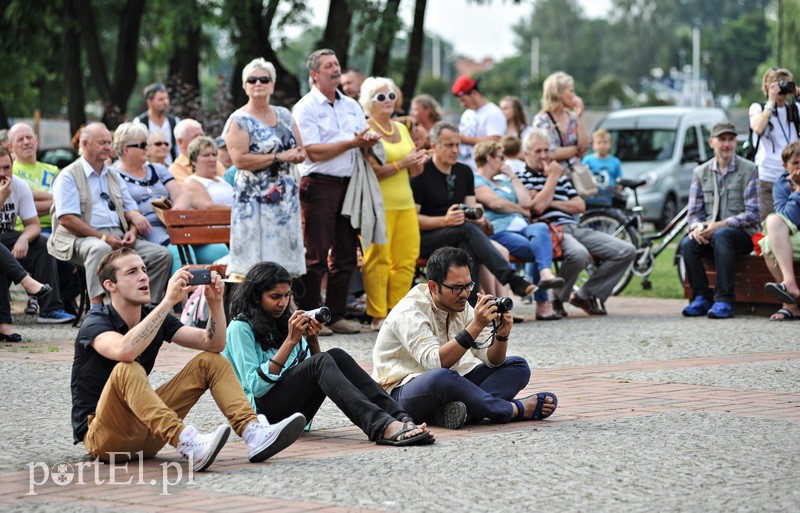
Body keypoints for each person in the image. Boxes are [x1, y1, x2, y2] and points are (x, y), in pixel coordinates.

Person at [70, 248, 307, 471]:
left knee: (211, 361)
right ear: (110, 285)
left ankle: (252, 433)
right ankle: (187, 441)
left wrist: (215, 303)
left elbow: (213, 344)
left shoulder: (153, 316)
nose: (143, 276)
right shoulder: (96, 322)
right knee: (127, 368)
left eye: (144, 269)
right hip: (105, 439)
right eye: (131, 272)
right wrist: (168, 302)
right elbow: (125, 351)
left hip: (150, 436)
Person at [224, 262, 434, 446]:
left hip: (296, 411)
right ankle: (381, 426)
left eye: (287, 295)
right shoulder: (240, 327)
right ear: (256, 297)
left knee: (336, 355)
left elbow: (314, 374)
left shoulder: (283, 321)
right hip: (262, 416)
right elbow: (256, 387)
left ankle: (401, 418)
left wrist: (312, 340)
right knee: (322, 360)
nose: (283, 303)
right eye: (275, 297)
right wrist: (290, 341)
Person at [372, 247, 557, 429]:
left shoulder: (460, 303)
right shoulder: (410, 311)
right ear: (433, 287)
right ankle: (512, 409)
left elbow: (492, 360)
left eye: (468, 286)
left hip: (451, 383)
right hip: (400, 393)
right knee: (442, 377)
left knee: (517, 366)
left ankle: (458, 413)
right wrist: (475, 326)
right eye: (456, 288)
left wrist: (501, 336)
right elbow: (436, 363)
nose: (464, 294)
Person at [292, 49, 381, 335]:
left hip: (349, 184)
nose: (335, 69)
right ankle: (310, 318)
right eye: (328, 66)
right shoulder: (305, 107)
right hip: (319, 183)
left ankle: (336, 315)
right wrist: (352, 143)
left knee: (345, 253)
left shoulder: (352, 105)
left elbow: (360, 138)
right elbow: (313, 152)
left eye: (337, 64)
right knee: (316, 254)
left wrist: (369, 140)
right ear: (314, 74)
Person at [412, 122, 540, 305]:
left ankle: (470, 307)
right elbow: (414, 220)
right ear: (434, 146)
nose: (455, 150)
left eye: (457, 145)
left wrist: (479, 220)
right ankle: (512, 279)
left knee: (467, 244)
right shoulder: (421, 173)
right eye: (449, 145)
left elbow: (471, 209)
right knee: (465, 229)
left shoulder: (464, 172)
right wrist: (445, 220)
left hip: (459, 235)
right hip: (428, 238)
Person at [48, 123, 173, 308]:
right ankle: (96, 310)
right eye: (102, 143)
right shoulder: (68, 176)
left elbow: (132, 209)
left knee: (161, 255)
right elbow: (67, 219)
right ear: (85, 144)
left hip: (117, 235)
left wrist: (132, 232)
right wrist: (103, 237)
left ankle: (144, 309)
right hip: (80, 238)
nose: (108, 147)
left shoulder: (114, 175)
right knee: (99, 249)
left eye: (109, 142)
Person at [519, 129, 636, 317]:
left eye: (546, 150)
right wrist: (552, 179)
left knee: (626, 250)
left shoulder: (561, 178)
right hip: (551, 230)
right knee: (579, 254)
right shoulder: (523, 178)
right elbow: (538, 208)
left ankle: (585, 294)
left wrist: (549, 199)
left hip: (576, 227)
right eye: (538, 151)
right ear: (526, 154)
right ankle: (557, 298)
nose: (544, 156)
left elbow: (580, 205)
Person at [224, 58, 307, 280]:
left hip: (285, 197)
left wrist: (298, 155)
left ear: (272, 84)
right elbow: (240, 160)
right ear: (245, 86)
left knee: (285, 261)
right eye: (252, 80)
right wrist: (279, 157)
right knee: (255, 265)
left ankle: (286, 299)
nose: (258, 83)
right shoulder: (239, 119)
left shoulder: (285, 115)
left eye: (264, 79)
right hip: (254, 199)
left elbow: (300, 148)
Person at [360, 77, 427, 330]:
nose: (388, 101)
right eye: (381, 97)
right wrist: (402, 163)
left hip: (405, 203)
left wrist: (417, 162)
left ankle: (397, 311)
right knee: (377, 259)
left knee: (406, 259)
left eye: (391, 96)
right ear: (369, 103)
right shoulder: (366, 129)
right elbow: (372, 170)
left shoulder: (402, 128)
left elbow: (414, 172)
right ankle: (377, 314)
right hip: (379, 204)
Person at [473, 141, 563, 320]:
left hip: (523, 228)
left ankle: (545, 273)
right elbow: (496, 204)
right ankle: (542, 300)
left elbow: (527, 202)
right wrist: (520, 210)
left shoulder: (503, 180)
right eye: (501, 157)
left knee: (541, 227)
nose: (504, 162)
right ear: (490, 158)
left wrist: (512, 176)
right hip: (499, 231)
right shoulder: (477, 180)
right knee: (538, 249)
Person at [679, 123, 761, 319]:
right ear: (711, 143)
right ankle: (701, 298)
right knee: (687, 243)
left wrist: (721, 224)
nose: (727, 144)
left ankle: (724, 300)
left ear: (736, 142)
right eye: (722, 139)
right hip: (712, 235)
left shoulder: (749, 170)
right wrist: (698, 228)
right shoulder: (700, 172)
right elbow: (693, 214)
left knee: (722, 235)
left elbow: (753, 214)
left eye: (730, 139)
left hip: (742, 235)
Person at [9, 122, 81, 315]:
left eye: (29, 137)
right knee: (54, 251)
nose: (26, 142)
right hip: (25, 229)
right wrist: (56, 201)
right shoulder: (9, 170)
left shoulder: (52, 169)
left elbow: (68, 198)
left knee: (80, 248)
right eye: (20, 139)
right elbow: (24, 205)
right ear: (10, 146)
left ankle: (60, 299)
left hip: (60, 226)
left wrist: (35, 199)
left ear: (37, 140)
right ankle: (56, 301)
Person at [0, 146, 74, 328]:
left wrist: (24, 239)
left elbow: (33, 224)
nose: (3, 174)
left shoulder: (18, 185)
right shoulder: (6, 190)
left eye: (6, 168)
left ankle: (50, 309)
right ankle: (25, 283)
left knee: (42, 243)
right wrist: (1, 198)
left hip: (7, 238)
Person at [749, 67, 800, 221]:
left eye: (786, 84)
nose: (782, 89)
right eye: (779, 84)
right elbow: (758, 128)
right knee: (770, 223)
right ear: (768, 87)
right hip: (768, 177)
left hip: (794, 175)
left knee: (793, 222)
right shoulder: (758, 108)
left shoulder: (795, 109)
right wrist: (771, 103)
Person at [761, 141, 800, 320]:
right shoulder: (781, 184)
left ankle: (789, 290)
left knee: (770, 241)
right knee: (768, 238)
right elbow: (786, 217)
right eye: (795, 163)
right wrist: (798, 190)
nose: (799, 167)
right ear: (785, 166)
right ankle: (790, 302)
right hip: (794, 235)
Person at [532, 72, 589, 166]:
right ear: (558, 93)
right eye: (571, 91)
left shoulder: (572, 117)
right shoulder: (542, 120)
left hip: (576, 172)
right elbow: (551, 152)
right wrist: (576, 149)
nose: (574, 96)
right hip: (555, 172)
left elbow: (584, 147)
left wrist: (579, 117)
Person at [451, 76, 506, 172]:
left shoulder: (493, 112)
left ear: (474, 93)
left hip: (482, 171)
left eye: (463, 100)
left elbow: (495, 142)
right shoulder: (467, 113)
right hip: (465, 167)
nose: (462, 104)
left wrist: (465, 139)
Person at [182, 137, 235, 209]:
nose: (212, 159)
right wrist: (239, 211)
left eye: (214, 155)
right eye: (206, 155)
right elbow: (208, 207)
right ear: (193, 160)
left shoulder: (222, 180)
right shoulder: (191, 182)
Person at [168, 119, 226, 183]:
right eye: (196, 137)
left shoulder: (214, 161)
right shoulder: (175, 170)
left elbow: (226, 183)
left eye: (202, 136)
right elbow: (189, 188)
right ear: (180, 141)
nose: (201, 141)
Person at [135, 83, 179, 165]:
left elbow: (178, 149)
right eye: (161, 99)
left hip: (170, 168)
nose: (165, 102)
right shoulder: (140, 122)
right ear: (149, 102)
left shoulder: (174, 121)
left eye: (166, 98)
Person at [581, 129, 624, 207]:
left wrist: (619, 190)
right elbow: (582, 177)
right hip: (591, 200)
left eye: (605, 142)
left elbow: (619, 180)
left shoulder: (615, 162)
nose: (602, 145)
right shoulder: (587, 160)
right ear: (593, 145)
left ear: (610, 144)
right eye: (599, 142)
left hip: (609, 200)